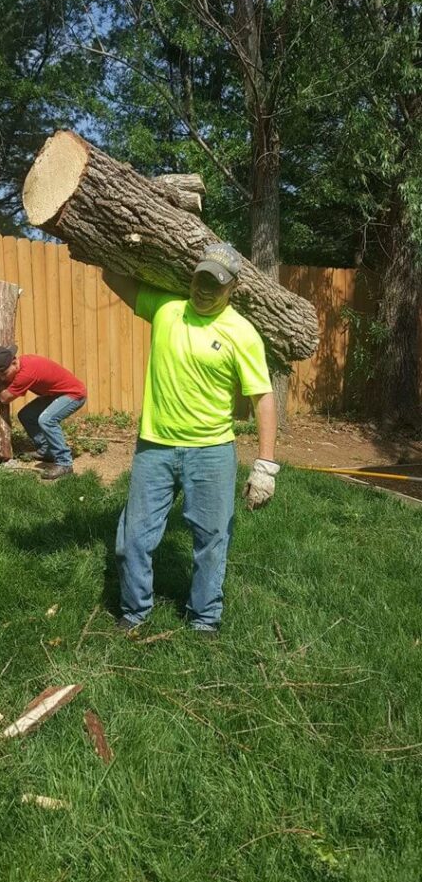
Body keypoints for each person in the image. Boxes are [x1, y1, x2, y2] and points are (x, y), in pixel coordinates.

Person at [103, 243, 279, 637]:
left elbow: (263, 398)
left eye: (215, 283)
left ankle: (204, 618)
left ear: (233, 286)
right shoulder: (166, 309)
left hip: (213, 451)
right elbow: (111, 276)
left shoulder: (243, 333)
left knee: (212, 539)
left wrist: (265, 464)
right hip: (155, 446)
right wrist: (132, 241)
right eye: (200, 278)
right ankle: (134, 612)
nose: (204, 289)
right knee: (132, 538)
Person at [0, 344, 86, 479]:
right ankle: (47, 451)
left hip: (74, 395)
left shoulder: (25, 374)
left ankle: (64, 463)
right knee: (26, 415)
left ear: (15, 362)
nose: (2, 379)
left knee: (47, 420)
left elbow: (5, 398)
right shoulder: (21, 364)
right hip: (55, 394)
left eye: (4, 374)